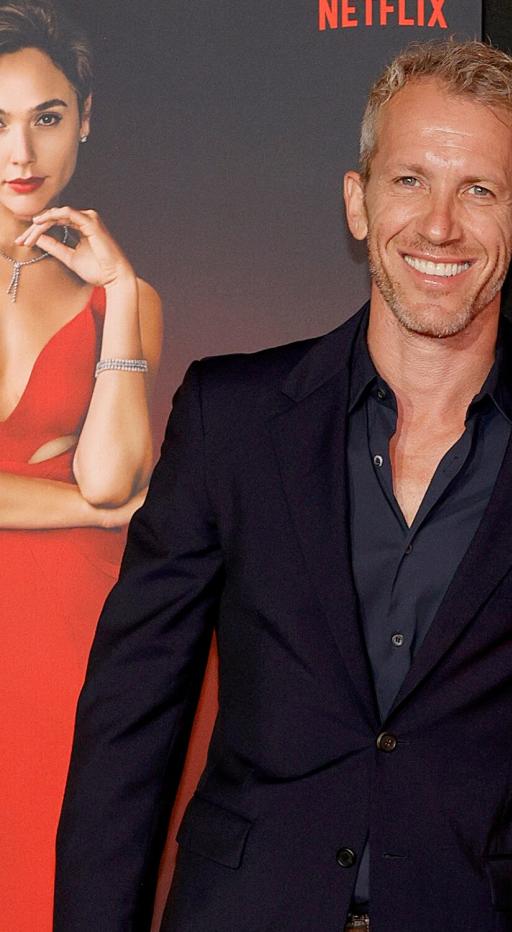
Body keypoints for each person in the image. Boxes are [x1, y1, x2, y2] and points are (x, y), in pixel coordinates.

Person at [55, 39, 512, 931]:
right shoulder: (233, 417)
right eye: (410, 180)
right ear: (357, 201)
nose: (441, 225)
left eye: (479, 190)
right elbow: (130, 720)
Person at [0, 0, 161, 924]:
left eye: (48, 118)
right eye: (0, 123)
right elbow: (101, 502)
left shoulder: (125, 299)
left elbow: (109, 478)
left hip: (71, 647)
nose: (23, 154)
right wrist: (84, 509)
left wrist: (122, 291)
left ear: (86, 118)